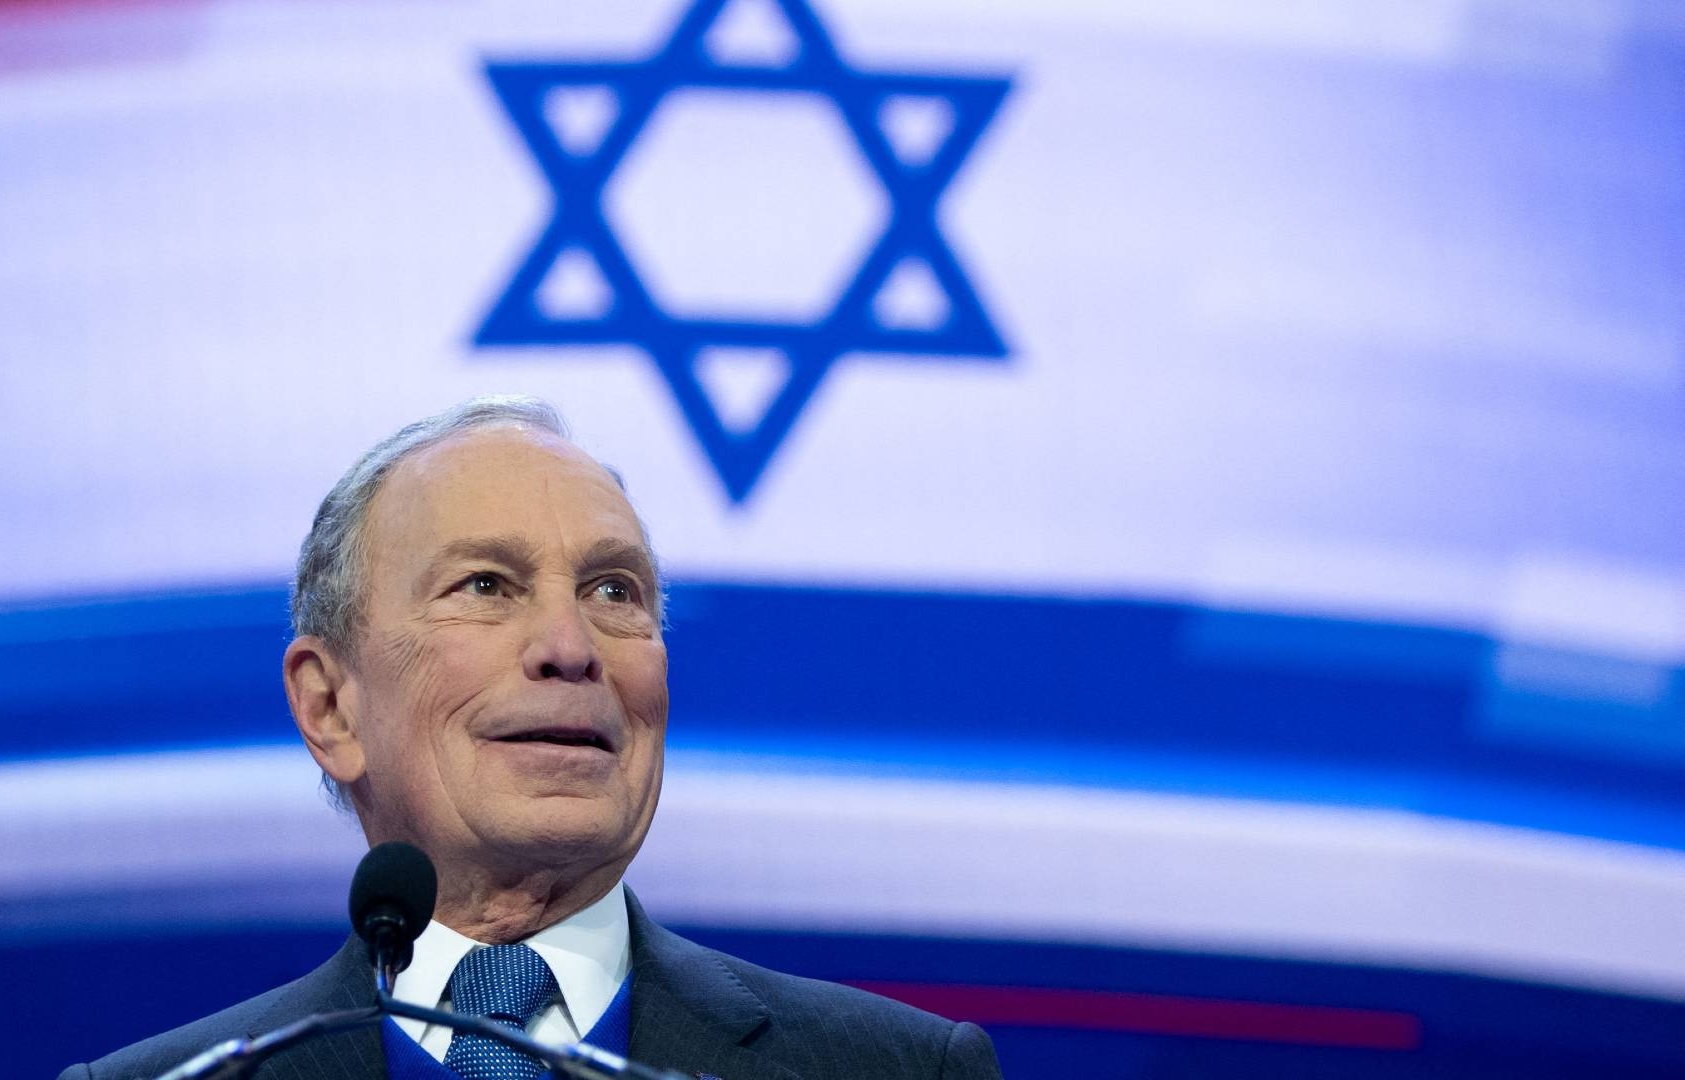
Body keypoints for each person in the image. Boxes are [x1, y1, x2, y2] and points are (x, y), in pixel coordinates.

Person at [59, 396, 1002, 1080]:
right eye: (485, 587)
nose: (570, 648)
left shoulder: (899, 1070)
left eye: (614, 593)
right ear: (330, 709)